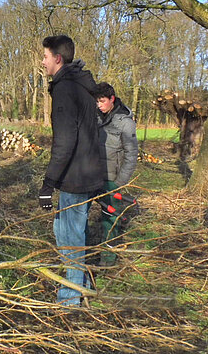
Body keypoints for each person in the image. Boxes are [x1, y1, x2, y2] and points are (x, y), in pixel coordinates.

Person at [38, 35, 103, 306]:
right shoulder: (81, 86)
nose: (42, 62)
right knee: (73, 234)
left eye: (44, 56)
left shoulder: (66, 90)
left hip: (74, 178)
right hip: (86, 174)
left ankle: (69, 300)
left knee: (69, 239)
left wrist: (47, 185)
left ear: (57, 58)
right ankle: (82, 287)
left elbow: (65, 142)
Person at [93, 82, 138, 266]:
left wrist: (120, 183)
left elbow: (131, 155)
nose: (99, 105)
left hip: (112, 179)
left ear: (112, 99)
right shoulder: (95, 118)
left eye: (102, 101)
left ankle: (108, 259)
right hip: (91, 176)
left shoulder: (125, 123)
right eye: (96, 102)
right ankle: (84, 251)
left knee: (109, 219)